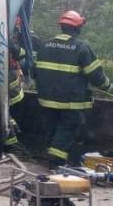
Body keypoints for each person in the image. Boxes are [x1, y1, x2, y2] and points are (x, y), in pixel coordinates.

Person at [35, 11, 113, 168]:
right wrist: (110, 88)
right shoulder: (81, 47)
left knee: (53, 130)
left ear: (62, 26)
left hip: (47, 100)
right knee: (67, 130)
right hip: (70, 103)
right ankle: (56, 163)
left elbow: (34, 71)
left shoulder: (45, 45)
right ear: (78, 28)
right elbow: (96, 76)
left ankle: (52, 160)